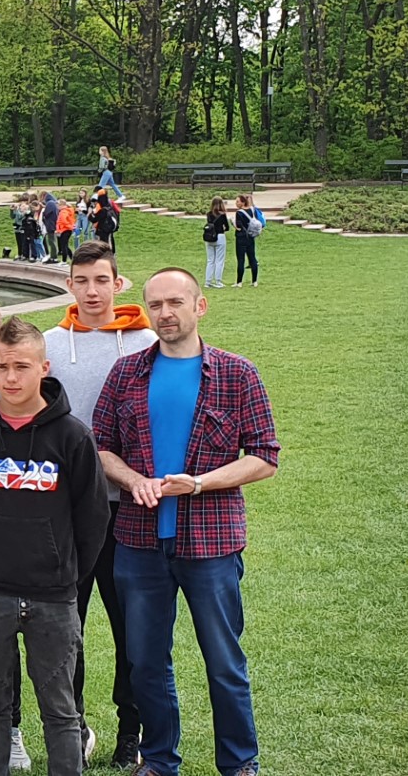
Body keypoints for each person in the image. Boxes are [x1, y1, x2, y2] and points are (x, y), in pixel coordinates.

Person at [93, 269, 280, 776]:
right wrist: (133, 479)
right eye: (155, 305)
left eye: (175, 302)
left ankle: (239, 764)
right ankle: (158, 760)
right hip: (138, 541)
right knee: (146, 663)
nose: (165, 313)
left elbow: (264, 456)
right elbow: (100, 446)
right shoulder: (126, 373)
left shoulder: (237, 374)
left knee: (224, 661)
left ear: (200, 306)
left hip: (211, 543)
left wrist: (199, 483)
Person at [0, 318, 109, 776]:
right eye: (1, 367)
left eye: (21, 367)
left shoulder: (73, 436)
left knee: (60, 708)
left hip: (52, 595)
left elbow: (92, 517)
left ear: (44, 368)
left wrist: (63, 569)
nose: (10, 378)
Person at [43, 241, 156, 769]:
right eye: (82, 281)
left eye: (101, 280)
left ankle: (132, 729)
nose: (92, 291)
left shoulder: (147, 343)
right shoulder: (49, 344)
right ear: (70, 285)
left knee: (130, 626)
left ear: (118, 284)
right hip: (64, 514)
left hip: (128, 508)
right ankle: (76, 725)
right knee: (67, 627)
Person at [232, 195, 264, 288]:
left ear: (243, 202)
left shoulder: (239, 213)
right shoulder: (252, 210)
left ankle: (239, 282)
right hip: (251, 237)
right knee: (252, 258)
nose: (236, 203)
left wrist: (233, 224)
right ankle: (254, 281)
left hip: (241, 238)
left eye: (238, 201)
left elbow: (239, 226)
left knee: (241, 260)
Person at [202, 198, 230, 290]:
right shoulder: (222, 215)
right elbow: (227, 227)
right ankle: (218, 281)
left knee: (210, 260)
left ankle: (208, 281)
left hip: (210, 237)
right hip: (220, 236)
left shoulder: (209, 214)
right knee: (219, 260)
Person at [41, 192, 60, 264]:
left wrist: (43, 213)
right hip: (52, 224)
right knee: (53, 241)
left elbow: (46, 213)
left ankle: (53, 257)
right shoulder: (53, 203)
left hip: (50, 225)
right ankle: (53, 256)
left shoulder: (50, 203)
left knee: (51, 241)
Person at [55, 198, 77, 264]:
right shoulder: (66, 210)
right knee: (65, 245)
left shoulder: (63, 212)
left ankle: (64, 261)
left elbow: (63, 221)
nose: (57, 207)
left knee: (63, 246)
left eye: (58, 205)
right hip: (66, 229)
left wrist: (67, 227)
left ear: (61, 205)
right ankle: (72, 258)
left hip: (65, 230)